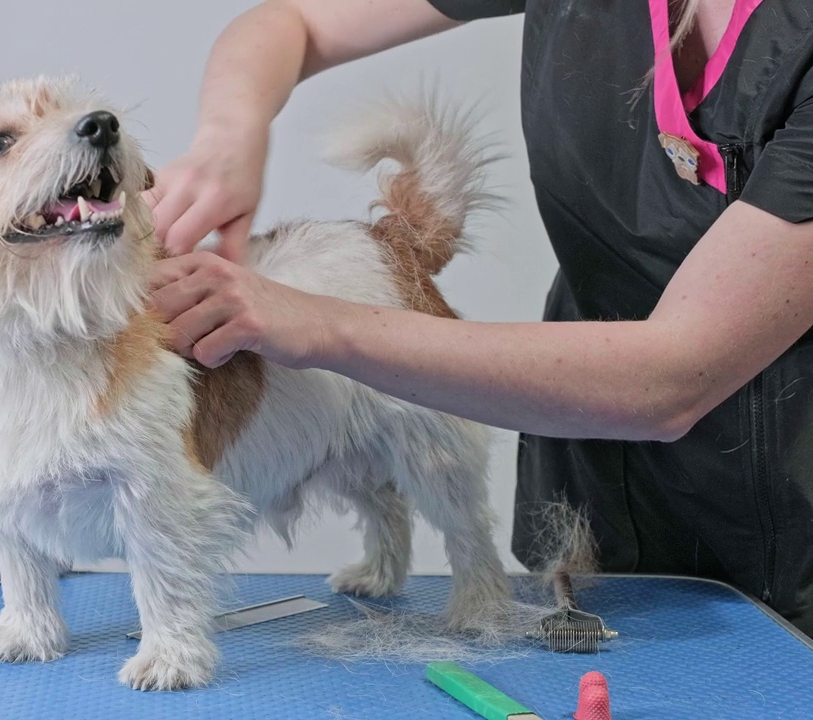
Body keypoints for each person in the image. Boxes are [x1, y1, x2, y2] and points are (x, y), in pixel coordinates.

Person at [145, 0, 813, 638]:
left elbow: (674, 378)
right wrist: (227, 137)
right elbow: (289, 20)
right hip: (591, 470)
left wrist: (324, 325)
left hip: (787, 523)